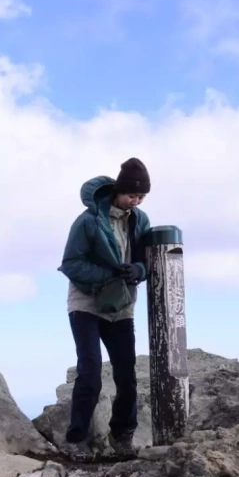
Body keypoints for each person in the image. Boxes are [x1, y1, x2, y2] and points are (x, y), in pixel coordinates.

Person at [57, 157, 153, 461]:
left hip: (121, 306)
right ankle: (77, 440)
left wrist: (137, 270)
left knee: (127, 375)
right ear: (118, 190)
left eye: (141, 197)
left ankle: (122, 436)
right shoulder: (87, 220)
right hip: (85, 304)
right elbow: (70, 264)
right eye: (132, 195)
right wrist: (109, 275)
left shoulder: (140, 220)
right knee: (90, 373)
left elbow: (148, 260)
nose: (135, 201)